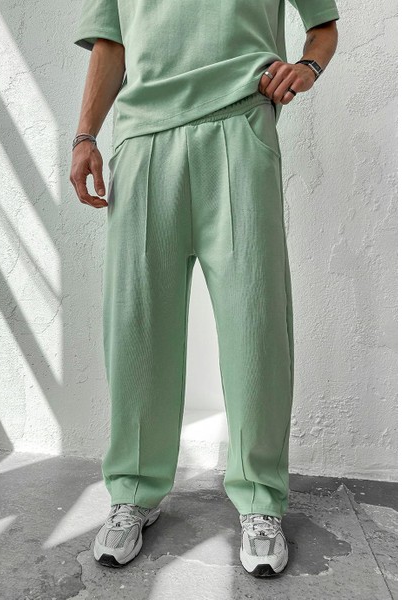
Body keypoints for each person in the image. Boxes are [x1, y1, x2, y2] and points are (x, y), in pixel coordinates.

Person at [70, 0, 339, 577]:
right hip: (143, 139)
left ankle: (260, 500)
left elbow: (323, 24)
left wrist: (308, 67)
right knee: (137, 328)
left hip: (239, 125)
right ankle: (133, 492)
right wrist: (84, 135)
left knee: (256, 324)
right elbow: (111, 43)